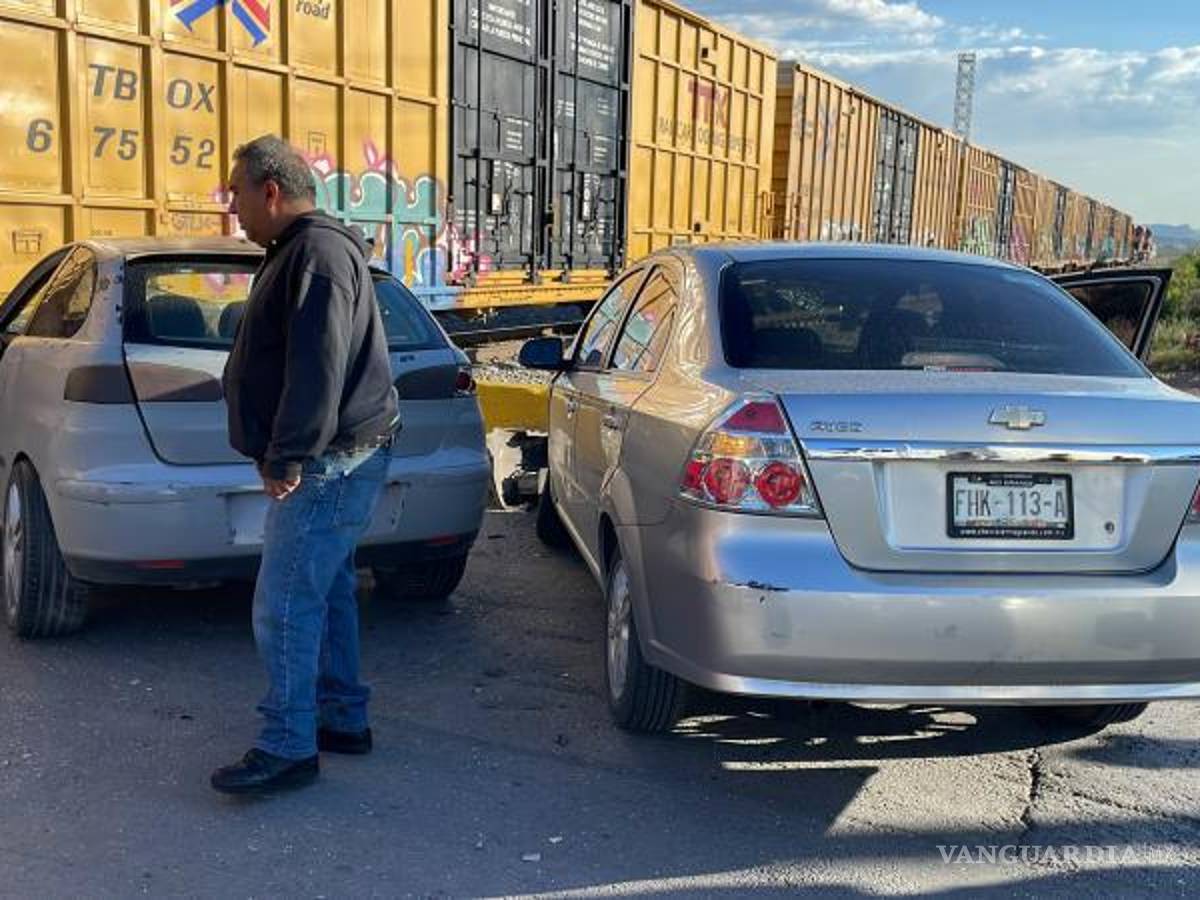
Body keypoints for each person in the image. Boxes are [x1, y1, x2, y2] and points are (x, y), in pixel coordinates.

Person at [211, 135, 400, 794]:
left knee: (284, 603)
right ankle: (341, 716)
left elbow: (317, 367)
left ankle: (288, 745)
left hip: (326, 464)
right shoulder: (301, 250)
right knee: (327, 589)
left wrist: (288, 456)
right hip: (338, 458)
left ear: (270, 191)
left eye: (236, 192)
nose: (232, 206)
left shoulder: (316, 254)